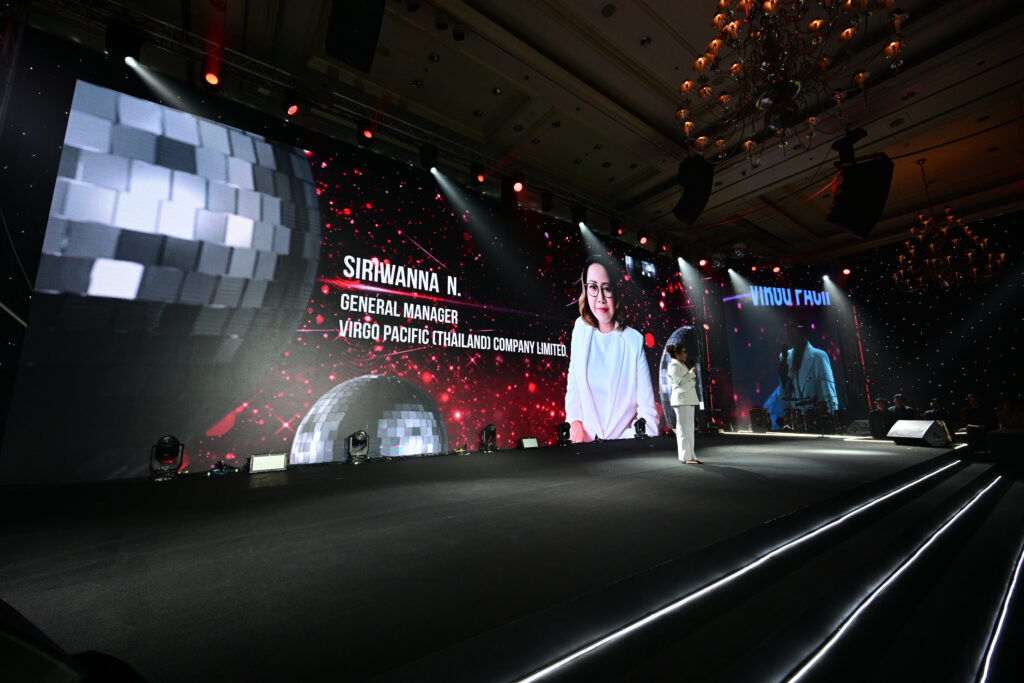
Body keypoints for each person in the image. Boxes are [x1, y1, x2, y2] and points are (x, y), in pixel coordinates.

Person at [565, 255, 658, 442]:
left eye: (607, 288)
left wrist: (620, 445)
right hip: (582, 448)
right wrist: (574, 422)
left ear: (617, 292)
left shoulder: (634, 341)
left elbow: (649, 417)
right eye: (593, 287)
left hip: (622, 450)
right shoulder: (580, 329)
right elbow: (573, 384)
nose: (600, 299)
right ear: (585, 290)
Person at [776, 315, 839, 415]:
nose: (790, 331)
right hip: (796, 421)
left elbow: (830, 396)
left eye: (794, 326)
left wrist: (832, 418)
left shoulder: (819, 357)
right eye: (787, 326)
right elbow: (784, 403)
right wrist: (784, 382)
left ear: (804, 329)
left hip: (818, 420)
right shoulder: (785, 358)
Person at [666, 343, 701, 464]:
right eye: (684, 352)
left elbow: (689, 382)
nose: (686, 354)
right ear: (677, 354)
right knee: (683, 429)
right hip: (681, 400)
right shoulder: (673, 365)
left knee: (689, 429)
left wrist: (691, 375)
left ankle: (691, 456)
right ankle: (685, 457)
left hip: (688, 399)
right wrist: (691, 373)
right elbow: (679, 381)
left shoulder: (682, 365)